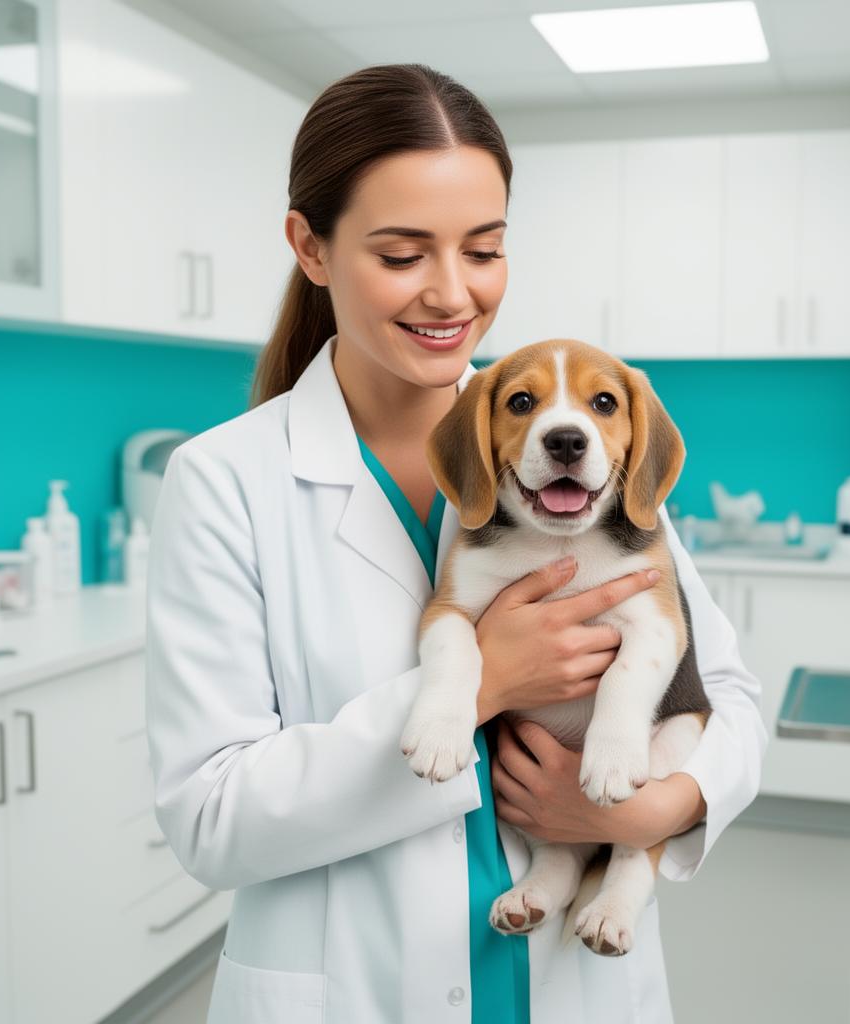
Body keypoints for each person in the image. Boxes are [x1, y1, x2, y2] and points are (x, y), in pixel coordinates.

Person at [145, 63, 767, 1024]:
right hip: (355, 990)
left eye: (484, 249)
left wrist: (652, 811)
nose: (451, 293)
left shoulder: (579, 461)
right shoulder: (225, 480)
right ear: (310, 247)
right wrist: (485, 681)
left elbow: (723, 697)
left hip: (571, 974)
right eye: (402, 254)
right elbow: (210, 818)